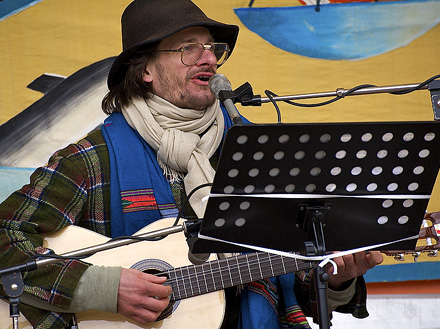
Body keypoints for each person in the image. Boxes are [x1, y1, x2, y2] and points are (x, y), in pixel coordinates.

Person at [0, 0, 383, 328]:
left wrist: (338, 280)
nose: (209, 58)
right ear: (145, 70)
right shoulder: (91, 160)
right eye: (188, 48)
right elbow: (4, 239)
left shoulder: (257, 152)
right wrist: (100, 288)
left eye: (213, 47)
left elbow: (299, 279)